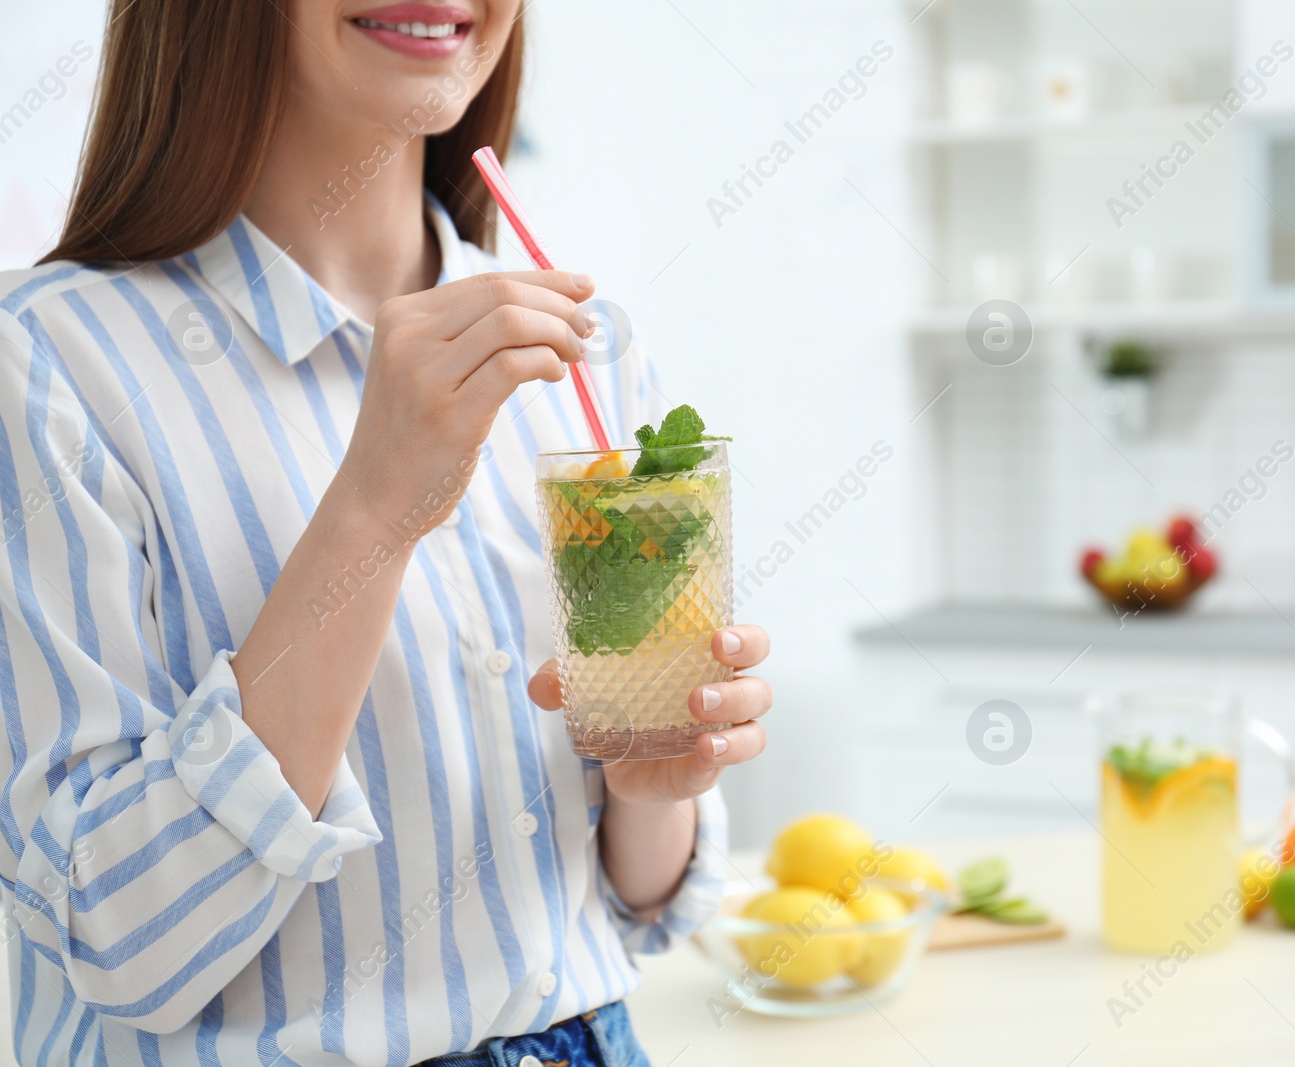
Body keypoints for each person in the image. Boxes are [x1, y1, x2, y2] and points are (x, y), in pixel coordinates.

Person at [0, 2, 772, 1064]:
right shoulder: (48, 367)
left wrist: (653, 785)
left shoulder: (588, 360)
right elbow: (118, 940)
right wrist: (371, 512)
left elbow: (640, 903)